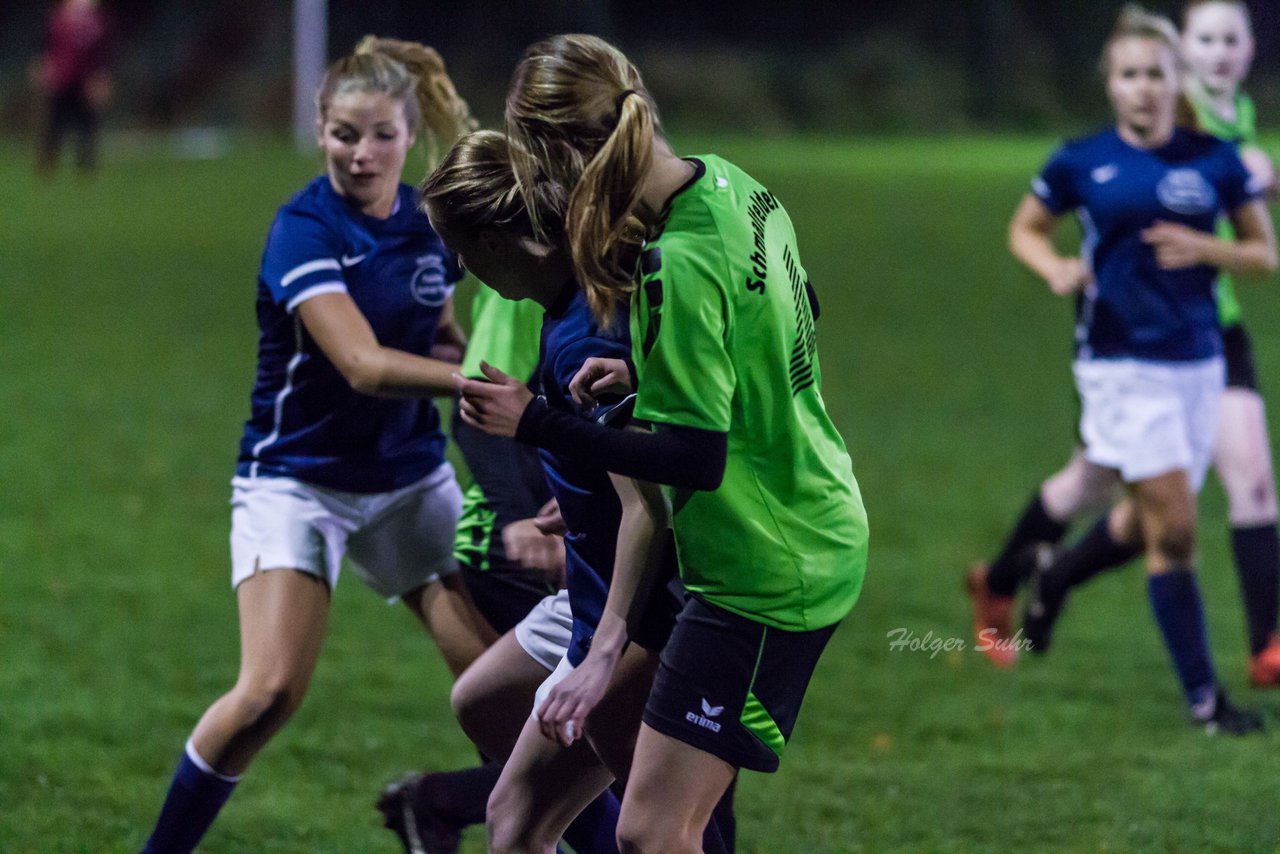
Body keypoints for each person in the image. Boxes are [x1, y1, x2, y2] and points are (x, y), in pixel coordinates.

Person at [456, 34, 868, 852]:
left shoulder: (674, 261)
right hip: (800, 513)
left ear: (569, 151)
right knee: (526, 817)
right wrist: (655, 370)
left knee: (652, 834)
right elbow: (803, 305)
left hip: (764, 567)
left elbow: (693, 461)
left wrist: (536, 424)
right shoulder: (732, 184)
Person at [139, 37, 495, 853]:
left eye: (379, 135)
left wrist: (478, 364)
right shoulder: (302, 229)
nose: (360, 154)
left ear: (410, 137)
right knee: (267, 692)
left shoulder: (430, 225)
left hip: (409, 479)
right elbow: (365, 366)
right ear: (318, 127)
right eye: (343, 134)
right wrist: (481, 386)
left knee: (495, 687)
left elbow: (440, 337)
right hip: (297, 480)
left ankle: (477, 818)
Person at [969, 0, 1280, 686]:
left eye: (1232, 37)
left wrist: (1218, 235)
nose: (1220, 51)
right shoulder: (1111, 149)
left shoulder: (1228, 134)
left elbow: (1258, 239)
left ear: (1251, 45)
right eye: (1207, 38)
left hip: (1209, 339)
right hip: (1124, 351)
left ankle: (1265, 644)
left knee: (1240, 488)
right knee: (1109, 493)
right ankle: (1011, 581)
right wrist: (1056, 268)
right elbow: (1031, 227)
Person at [31, 0, 111, 177]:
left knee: (88, 125)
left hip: (86, 81)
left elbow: (100, 55)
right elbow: (46, 47)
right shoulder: (58, 20)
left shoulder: (96, 23)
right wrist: (43, 69)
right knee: (56, 123)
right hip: (63, 79)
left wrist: (100, 79)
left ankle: (86, 167)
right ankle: (47, 165)